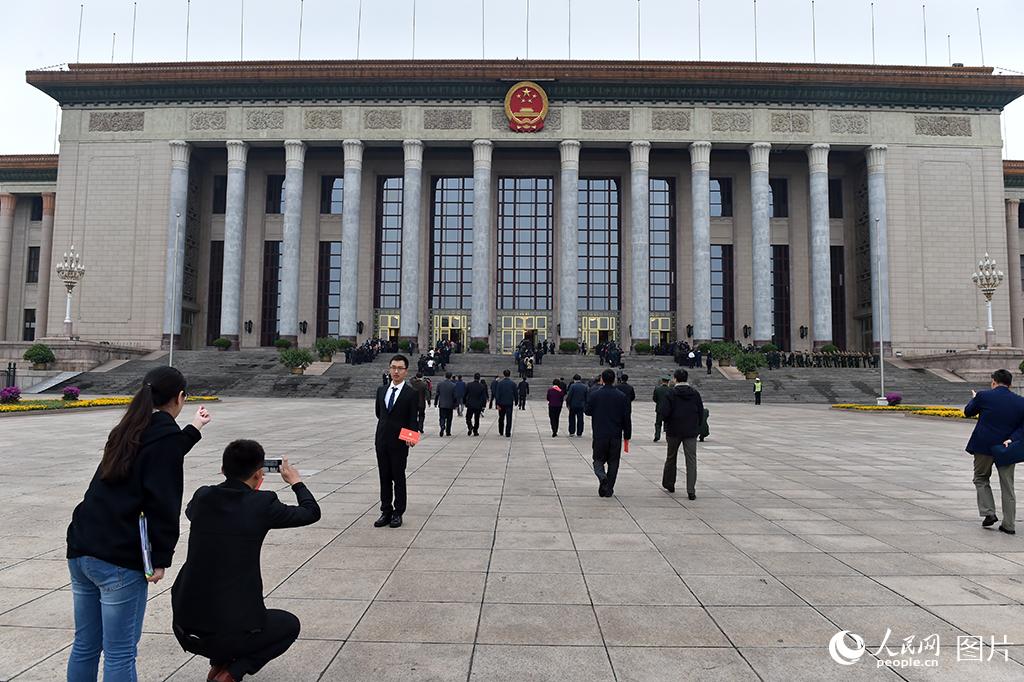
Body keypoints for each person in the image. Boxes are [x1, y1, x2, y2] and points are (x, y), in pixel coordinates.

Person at [66, 366, 212, 682]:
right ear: (180, 397)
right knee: (120, 653)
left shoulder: (127, 429)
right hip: (118, 557)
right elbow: (164, 505)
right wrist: (159, 560)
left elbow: (163, 448)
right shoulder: (164, 439)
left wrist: (193, 428)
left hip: (82, 547)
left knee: (86, 646)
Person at [171, 442, 320, 682]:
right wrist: (296, 481)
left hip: (185, 627)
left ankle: (219, 663)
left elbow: (192, 512)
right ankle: (232, 672)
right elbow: (311, 512)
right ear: (259, 474)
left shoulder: (202, 496)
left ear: (222, 469)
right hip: (231, 630)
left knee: (221, 605)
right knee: (289, 625)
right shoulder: (262, 504)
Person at [964, 369, 1024, 534]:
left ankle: (989, 512)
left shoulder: (984, 396)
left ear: (993, 382)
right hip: (1007, 448)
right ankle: (1009, 525)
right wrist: (1012, 438)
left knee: (981, 478)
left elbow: (968, 412)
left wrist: (974, 399)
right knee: (1007, 486)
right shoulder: (1021, 401)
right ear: (1010, 384)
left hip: (983, 446)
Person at [374, 354, 420, 529]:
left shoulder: (411, 393)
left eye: (400, 368)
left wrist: (411, 437)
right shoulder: (382, 390)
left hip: (400, 443)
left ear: (406, 371)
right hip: (382, 440)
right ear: (389, 369)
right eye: (393, 367)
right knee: (384, 477)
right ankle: (385, 510)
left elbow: (412, 418)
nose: (396, 371)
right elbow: (379, 413)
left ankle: (398, 512)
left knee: (398, 477)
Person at [585, 368, 632, 497]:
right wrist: (627, 434)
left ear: (602, 380)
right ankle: (609, 488)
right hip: (615, 435)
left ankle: (602, 477)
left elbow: (587, 411)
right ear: (614, 380)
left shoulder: (595, 394)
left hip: (600, 434)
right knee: (613, 462)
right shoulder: (621, 396)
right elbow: (626, 417)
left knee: (598, 460)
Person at [660, 368, 704, 499]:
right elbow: (700, 411)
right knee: (691, 460)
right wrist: (696, 426)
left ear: (675, 379)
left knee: (671, 457)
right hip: (690, 431)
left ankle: (669, 483)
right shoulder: (695, 393)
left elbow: (664, 412)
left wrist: (667, 422)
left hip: (673, 430)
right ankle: (691, 490)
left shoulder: (671, 393)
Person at [493, 369, 517, 437]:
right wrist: (516, 401)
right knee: (509, 418)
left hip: (501, 403)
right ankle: (508, 432)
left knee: (501, 417)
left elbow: (497, 394)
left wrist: (497, 403)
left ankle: (501, 431)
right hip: (509, 403)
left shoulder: (500, 383)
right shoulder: (513, 383)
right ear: (509, 374)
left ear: (504, 374)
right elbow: (515, 393)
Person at [434, 371, 457, 437]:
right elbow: (455, 396)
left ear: (445, 376)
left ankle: (442, 426)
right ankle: (448, 431)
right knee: (449, 419)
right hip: (450, 404)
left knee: (442, 417)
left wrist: (435, 403)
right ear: (451, 376)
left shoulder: (440, 384)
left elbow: (437, 394)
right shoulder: (453, 385)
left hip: (442, 404)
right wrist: (455, 404)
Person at [652, 376, 671, 442]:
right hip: (668, 409)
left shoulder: (657, 389)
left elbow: (654, 399)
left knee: (658, 423)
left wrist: (659, 402)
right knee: (667, 423)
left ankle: (657, 436)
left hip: (659, 409)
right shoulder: (671, 390)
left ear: (662, 381)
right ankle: (668, 436)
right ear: (668, 382)